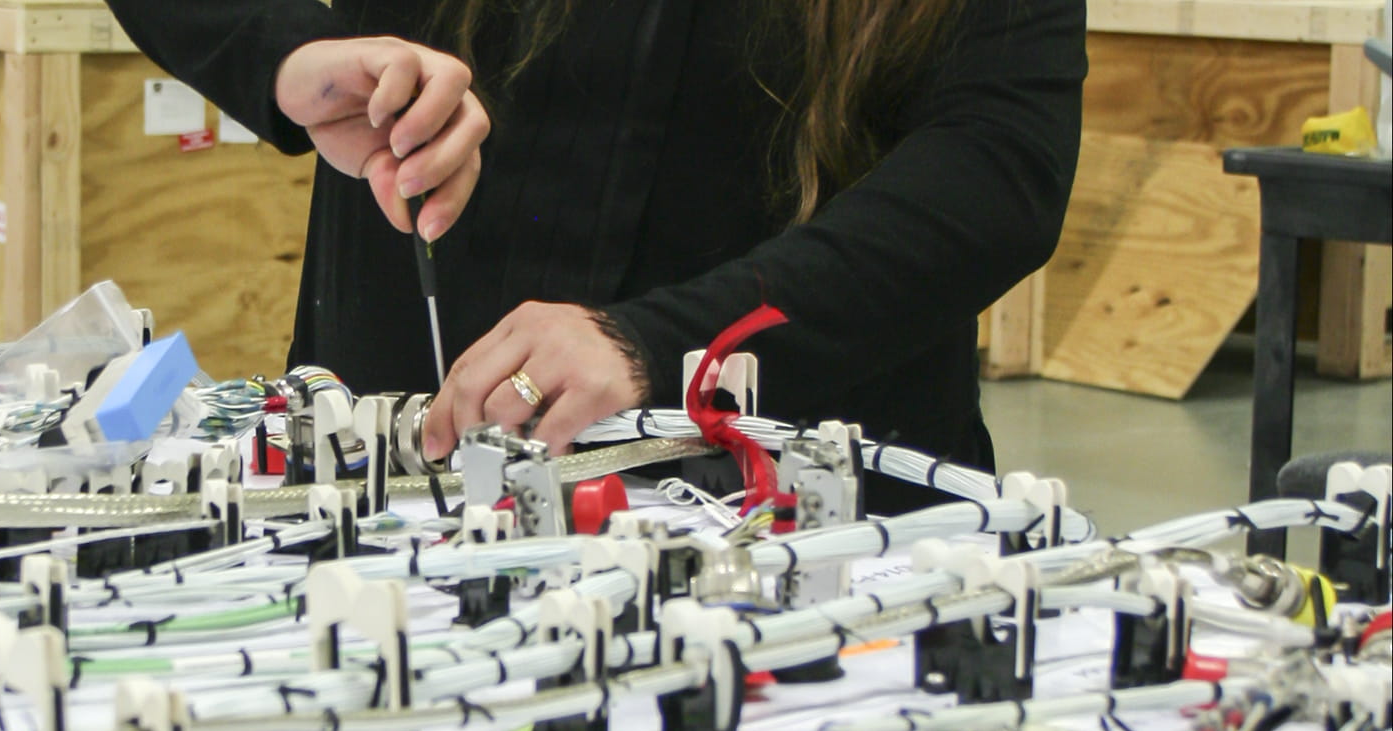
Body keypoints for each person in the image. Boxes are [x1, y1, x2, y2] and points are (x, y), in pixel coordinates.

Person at [105, 0, 1084, 507]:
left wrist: (662, 344)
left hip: (805, 511)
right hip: (412, 474)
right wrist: (283, 54)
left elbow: (998, 168)